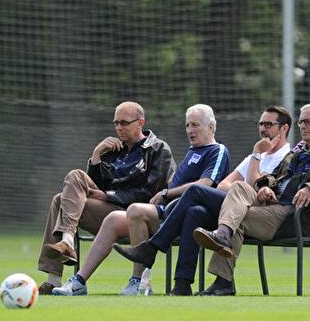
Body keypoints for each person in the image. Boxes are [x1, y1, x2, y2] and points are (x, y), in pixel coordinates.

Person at [112, 105, 292, 296]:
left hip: (258, 213)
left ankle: (153, 247)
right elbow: (224, 186)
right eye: (261, 124)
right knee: (195, 211)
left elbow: (253, 189)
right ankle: (182, 284)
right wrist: (240, 190)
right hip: (232, 208)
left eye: (269, 124)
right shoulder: (253, 157)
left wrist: (255, 159)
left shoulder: (287, 157)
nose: (263, 129)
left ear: (284, 129)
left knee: (197, 190)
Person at [52, 103, 230, 296]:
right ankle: (78, 280)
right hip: (163, 210)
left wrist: (165, 193)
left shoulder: (216, 150)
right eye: (187, 125)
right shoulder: (191, 152)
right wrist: (96, 156)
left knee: (136, 209)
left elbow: (203, 185)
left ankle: (139, 279)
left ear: (211, 127)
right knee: (73, 203)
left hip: (179, 214)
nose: (189, 130)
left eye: (195, 125)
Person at [192, 103, 310, 296]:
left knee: (237, 217)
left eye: (309, 121)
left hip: (298, 216)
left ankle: (223, 281)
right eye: (301, 121)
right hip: (275, 205)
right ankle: (223, 235)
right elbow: (277, 177)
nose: (303, 125)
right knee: (239, 187)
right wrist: (265, 188)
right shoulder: (298, 152)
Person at [37, 101, 173, 295]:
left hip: (138, 216)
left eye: (124, 122)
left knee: (64, 197)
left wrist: (109, 196)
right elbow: (86, 190)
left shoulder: (158, 149)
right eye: (116, 123)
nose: (119, 127)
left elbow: (152, 192)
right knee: (62, 197)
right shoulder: (112, 149)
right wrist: (96, 156)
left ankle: (66, 248)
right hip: (108, 211)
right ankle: (56, 271)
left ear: (140, 122)